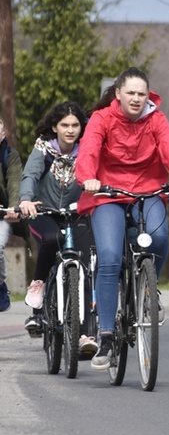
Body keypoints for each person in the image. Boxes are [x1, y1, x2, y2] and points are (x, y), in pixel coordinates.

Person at [76, 67, 169, 371]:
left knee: (158, 237)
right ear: (117, 93)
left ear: (148, 96)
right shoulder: (102, 119)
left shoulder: (155, 119)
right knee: (108, 257)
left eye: (141, 94)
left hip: (148, 190)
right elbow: (89, 149)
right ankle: (105, 337)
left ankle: (148, 287)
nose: (136, 98)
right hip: (107, 193)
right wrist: (88, 177)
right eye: (130, 93)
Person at [18, 102, 97, 353]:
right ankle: (39, 293)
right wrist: (26, 200)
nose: (70, 130)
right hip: (44, 212)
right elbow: (30, 174)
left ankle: (86, 334)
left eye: (75, 125)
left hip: (77, 214)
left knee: (84, 265)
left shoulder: (87, 150)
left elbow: (97, 174)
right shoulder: (43, 148)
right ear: (55, 127)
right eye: (65, 125)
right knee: (52, 239)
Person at [0, 119, 22, 313]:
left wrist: (14, 206)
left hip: (1, 213)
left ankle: (0, 284)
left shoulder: (9, 155)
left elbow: (14, 181)